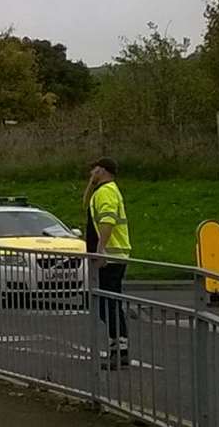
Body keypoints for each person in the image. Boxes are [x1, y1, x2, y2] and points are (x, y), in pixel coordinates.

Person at [84, 157, 131, 367]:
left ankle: (119, 350)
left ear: (101, 170)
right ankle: (119, 348)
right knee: (109, 303)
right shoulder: (105, 190)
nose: (90, 173)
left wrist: (101, 250)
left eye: (93, 169)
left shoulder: (105, 192)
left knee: (108, 305)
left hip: (111, 257)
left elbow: (108, 221)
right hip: (112, 256)